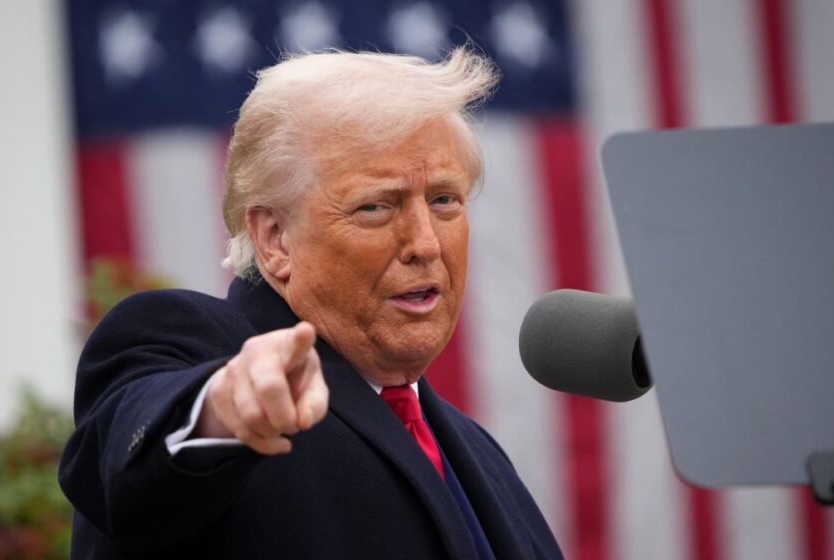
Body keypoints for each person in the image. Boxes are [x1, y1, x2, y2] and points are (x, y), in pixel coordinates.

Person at [58, 47, 564, 559]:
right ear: (276, 239)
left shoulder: (479, 454)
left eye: (444, 200)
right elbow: (125, 466)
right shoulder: (201, 354)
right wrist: (219, 412)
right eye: (375, 207)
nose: (426, 243)